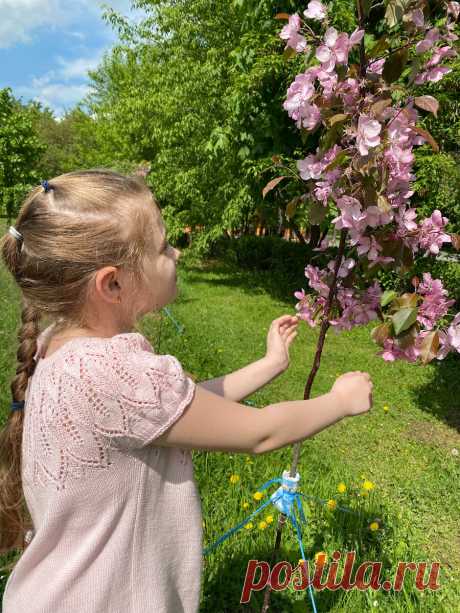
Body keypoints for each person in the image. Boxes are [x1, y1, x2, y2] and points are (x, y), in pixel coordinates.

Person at [0, 169, 373, 613]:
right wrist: (339, 401)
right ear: (112, 283)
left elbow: (178, 407)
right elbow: (261, 433)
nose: (176, 252)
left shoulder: (63, 346)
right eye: (162, 246)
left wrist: (269, 365)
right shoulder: (110, 369)